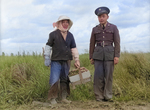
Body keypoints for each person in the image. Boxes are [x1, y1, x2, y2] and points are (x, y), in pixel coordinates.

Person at [44, 15, 80, 104]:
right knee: (54, 79)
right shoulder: (53, 34)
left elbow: (74, 48)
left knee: (65, 79)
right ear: (59, 23)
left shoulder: (70, 35)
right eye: (63, 22)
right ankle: (53, 98)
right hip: (56, 60)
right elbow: (48, 46)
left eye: (67, 22)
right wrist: (47, 57)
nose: (65, 24)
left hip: (67, 60)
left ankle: (63, 97)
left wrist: (77, 59)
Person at [89, 7, 120, 102]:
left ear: (107, 17)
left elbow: (117, 42)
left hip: (110, 54)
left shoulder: (113, 27)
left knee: (109, 76)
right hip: (98, 55)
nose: (101, 18)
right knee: (98, 76)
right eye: (99, 17)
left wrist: (116, 56)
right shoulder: (95, 29)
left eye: (103, 16)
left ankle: (108, 96)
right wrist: (91, 56)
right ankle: (99, 96)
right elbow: (92, 43)